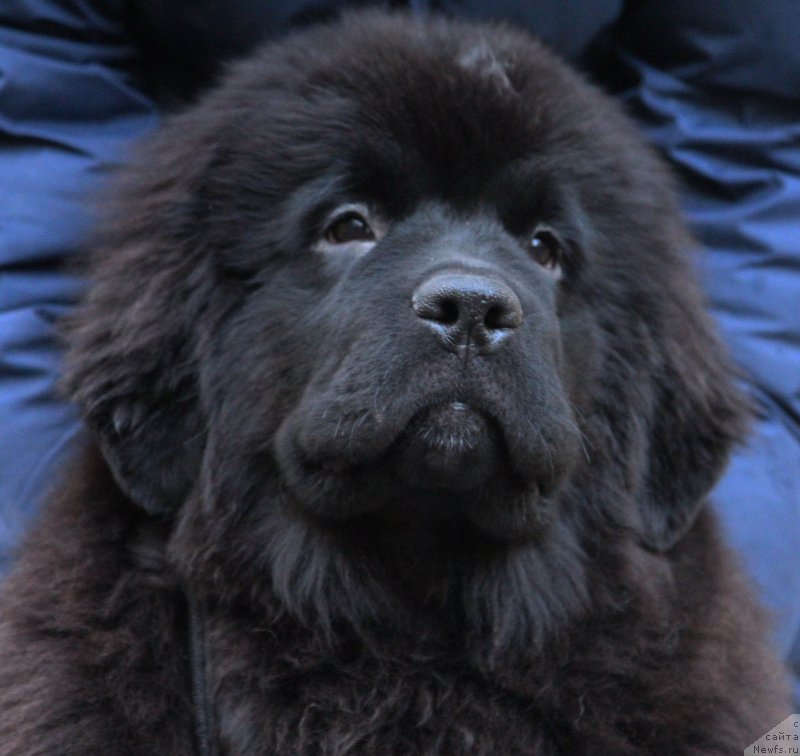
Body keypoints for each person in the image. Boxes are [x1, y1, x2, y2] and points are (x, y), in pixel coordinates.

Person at [2, 0, 798, 704]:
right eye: (350, 228)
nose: (476, 294)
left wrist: (757, 543)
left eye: (544, 250)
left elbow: (746, 135)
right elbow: (34, 117)